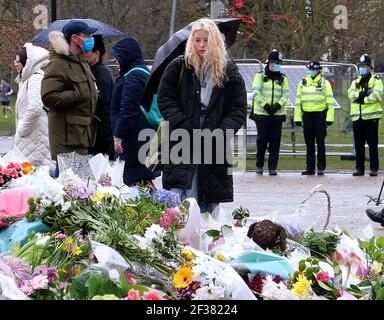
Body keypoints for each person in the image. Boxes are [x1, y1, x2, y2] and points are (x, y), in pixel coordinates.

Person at [157, 18, 247, 214]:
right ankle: (181, 230)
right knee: (181, 188)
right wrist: (180, 122)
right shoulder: (179, 66)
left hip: (214, 134)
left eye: (206, 40)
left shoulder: (228, 70)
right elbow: (164, 98)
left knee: (209, 191)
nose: (201, 45)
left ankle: (208, 235)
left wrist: (221, 133)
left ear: (214, 40)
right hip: (183, 134)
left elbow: (238, 108)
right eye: (197, 40)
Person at [41, 20, 98, 175]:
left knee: (78, 190)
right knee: (69, 190)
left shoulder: (82, 62)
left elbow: (85, 90)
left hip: (80, 136)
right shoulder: (58, 64)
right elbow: (48, 96)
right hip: (67, 140)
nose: (91, 38)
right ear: (75, 38)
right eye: (87, 35)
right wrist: (78, 94)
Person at [109, 37, 159, 187]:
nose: (115, 60)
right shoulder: (140, 72)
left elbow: (128, 109)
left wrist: (118, 135)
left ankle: (161, 209)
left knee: (137, 182)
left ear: (126, 56)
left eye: (117, 57)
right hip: (142, 137)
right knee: (141, 180)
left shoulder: (133, 76)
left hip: (135, 139)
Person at [13, 43, 52, 169]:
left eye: (18, 61)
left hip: (34, 135)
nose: (15, 64)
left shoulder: (35, 78)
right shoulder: (25, 80)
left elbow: (35, 107)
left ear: (27, 62)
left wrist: (22, 129)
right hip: (31, 135)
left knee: (35, 173)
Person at [250, 49, 289, 176]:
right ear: (268, 63)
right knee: (262, 140)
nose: (276, 65)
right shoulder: (260, 76)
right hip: (262, 114)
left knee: (275, 142)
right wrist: (265, 105)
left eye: (279, 63)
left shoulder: (283, 78)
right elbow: (256, 91)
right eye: (274, 63)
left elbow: (285, 94)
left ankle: (272, 167)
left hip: (277, 115)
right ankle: (259, 165)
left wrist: (278, 105)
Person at [294, 61, 336, 176]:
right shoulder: (302, 83)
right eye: (310, 69)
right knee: (309, 143)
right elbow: (298, 101)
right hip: (307, 116)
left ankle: (321, 167)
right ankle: (310, 168)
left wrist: (329, 118)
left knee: (320, 142)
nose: (311, 71)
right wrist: (297, 117)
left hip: (320, 116)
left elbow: (330, 102)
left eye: (314, 69)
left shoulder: (325, 83)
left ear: (319, 70)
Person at [348, 54, 383, 177]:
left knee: (372, 145)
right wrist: (362, 95)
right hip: (357, 118)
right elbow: (350, 95)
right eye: (360, 66)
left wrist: (362, 99)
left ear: (370, 67)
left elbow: (376, 96)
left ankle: (373, 169)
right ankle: (360, 169)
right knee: (358, 145)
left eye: (364, 66)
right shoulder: (355, 81)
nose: (362, 68)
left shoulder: (376, 81)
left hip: (371, 118)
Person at [85, 35, 114, 159]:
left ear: (97, 54)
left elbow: (101, 101)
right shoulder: (91, 72)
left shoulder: (102, 74)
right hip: (94, 132)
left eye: (87, 52)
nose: (83, 55)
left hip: (100, 134)